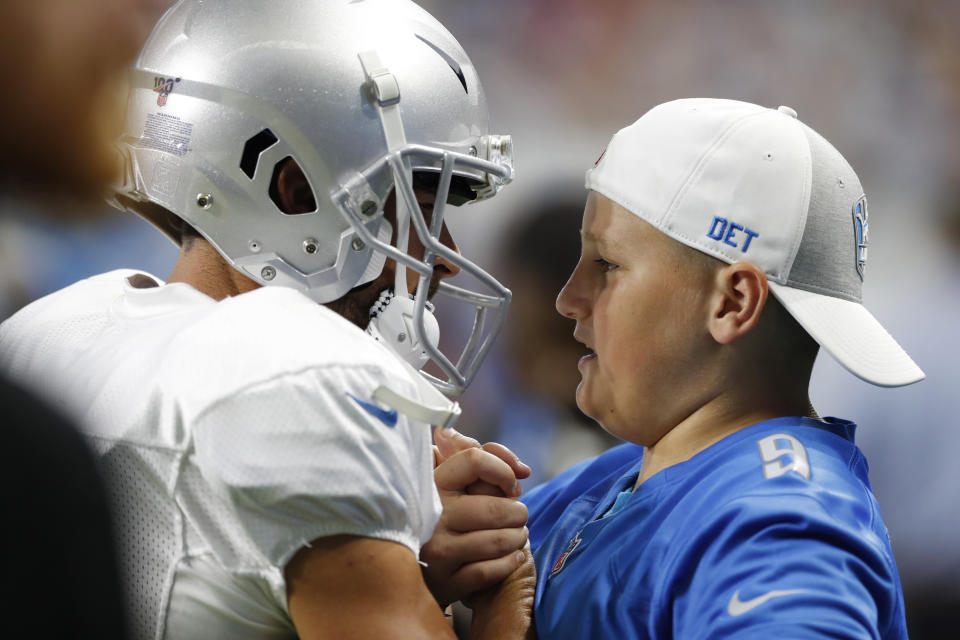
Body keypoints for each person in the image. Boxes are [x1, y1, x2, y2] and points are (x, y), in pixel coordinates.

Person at [0, 1, 533, 638]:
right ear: (295, 193)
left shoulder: (41, 335)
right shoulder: (304, 371)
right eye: (421, 204)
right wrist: (505, 605)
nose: (444, 256)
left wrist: (394, 547)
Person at [519, 99, 922, 638]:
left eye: (608, 264)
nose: (568, 299)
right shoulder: (613, 478)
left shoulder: (781, 524)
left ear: (732, 303)